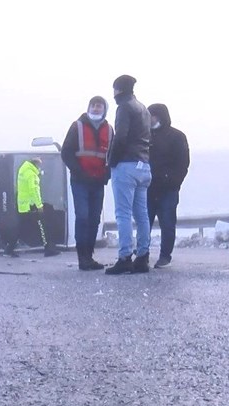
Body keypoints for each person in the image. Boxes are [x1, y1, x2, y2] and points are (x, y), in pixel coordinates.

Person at [105, 74, 153, 275]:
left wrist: (112, 161)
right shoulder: (143, 108)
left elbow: (121, 137)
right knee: (142, 214)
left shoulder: (124, 107)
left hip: (126, 164)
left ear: (118, 90)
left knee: (123, 213)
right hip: (144, 165)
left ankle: (125, 257)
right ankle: (142, 257)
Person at [61, 96, 113, 270]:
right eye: (94, 105)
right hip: (80, 181)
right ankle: (82, 257)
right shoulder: (77, 126)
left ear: (104, 109)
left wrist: (107, 174)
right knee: (82, 217)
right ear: (89, 107)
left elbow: (112, 156)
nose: (96, 108)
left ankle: (89, 257)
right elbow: (66, 152)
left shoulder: (110, 129)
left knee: (94, 219)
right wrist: (79, 172)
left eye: (100, 106)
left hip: (98, 182)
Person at [146, 103, 189, 269]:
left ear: (160, 116)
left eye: (152, 115)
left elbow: (183, 163)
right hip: (147, 188)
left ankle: (165, 256)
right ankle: (143, 253)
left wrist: (173, 182)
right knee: (144, 222)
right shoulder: (145, 136)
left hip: (167, 189)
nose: (149, 119)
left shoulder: (177, 136)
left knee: (168, 223)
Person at [3, 157, 60, 257]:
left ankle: (9, 249)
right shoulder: (31, 175)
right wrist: (39, 205)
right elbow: (34, 191)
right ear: (36, 164)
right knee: (43, 224)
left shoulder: (23, 170)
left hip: (22, 205)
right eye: (39, 165)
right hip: (30, 205)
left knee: (20, 227)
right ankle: (48, 249)